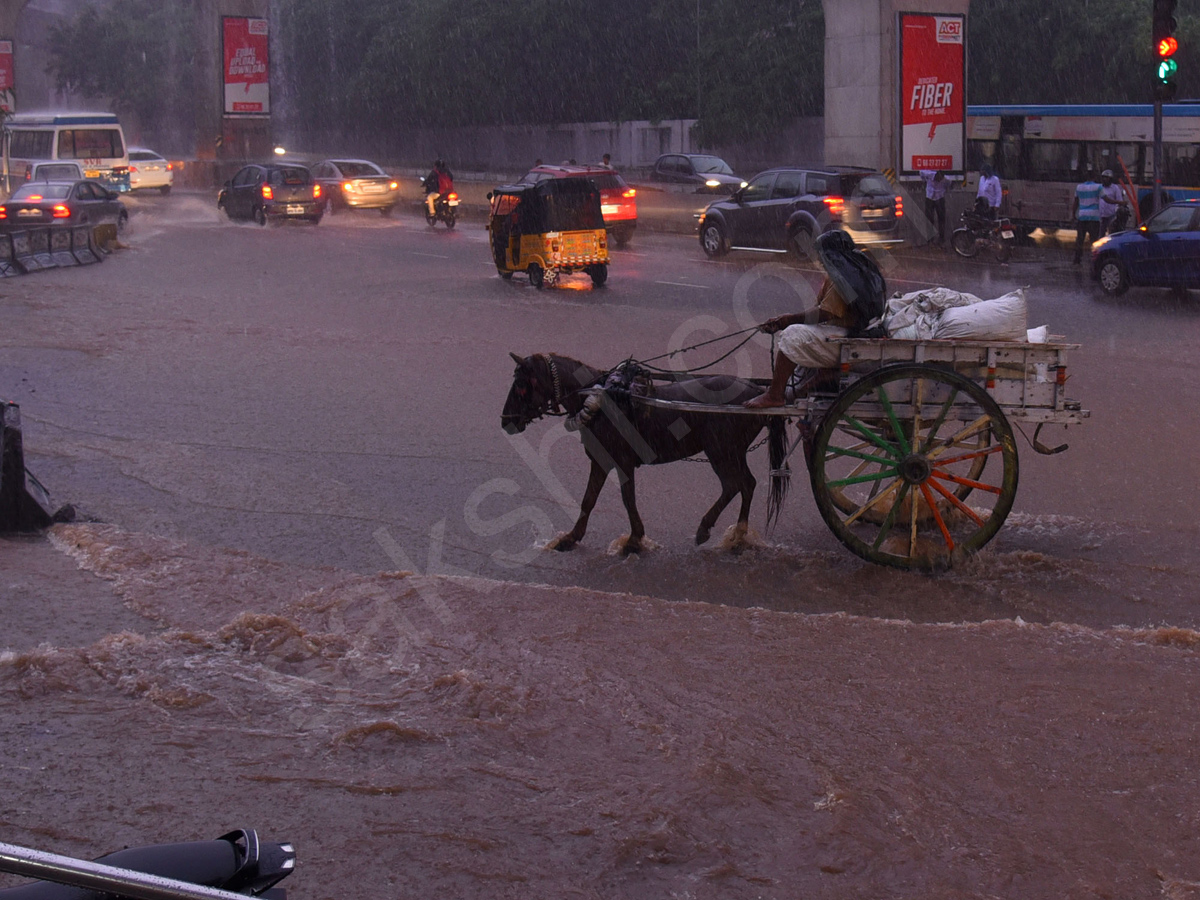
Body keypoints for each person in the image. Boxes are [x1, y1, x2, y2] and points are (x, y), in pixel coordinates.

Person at [744, 231, 885, 409]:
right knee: (799, 335)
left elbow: (824, 314)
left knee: (792, 336)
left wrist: (787, 321)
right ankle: (809, 381)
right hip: (849, 334)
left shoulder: (842, 277)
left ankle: (775, 394)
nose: (820, 260)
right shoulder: (856, 269)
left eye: (822, 256)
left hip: (849, 338)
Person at [1072, 167, 1101, 265]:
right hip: (1094, 217)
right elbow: (1105, 200)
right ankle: (1095, 259)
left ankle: (1077, 258)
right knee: (1094, 239)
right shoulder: (1098, 187)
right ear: (1095, 177)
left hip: (1082, 216)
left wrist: (1073, 215)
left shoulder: (1079, 187)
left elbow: (1075, 202)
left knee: (1080, 239)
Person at [919, 169, 948, 247]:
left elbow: (948, 186)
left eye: (940, 178)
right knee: (929, 218)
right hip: (929, 197)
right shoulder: (928, 174)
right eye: (937, 178)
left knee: (941, 218)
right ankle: (930, 238)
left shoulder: (946, 180)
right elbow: (921, 173)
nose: (938, 179)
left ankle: (941, 238)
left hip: (940, 198)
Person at [1098, 169, 1124, 235]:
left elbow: (1119, 200)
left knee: (1111, 234)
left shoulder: (1115, 188)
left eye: (1106, 178)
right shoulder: (1100, 187)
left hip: (1111, 214)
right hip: (1100, 214)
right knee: (1100, 233)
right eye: (1103, 177)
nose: (1104, 179)